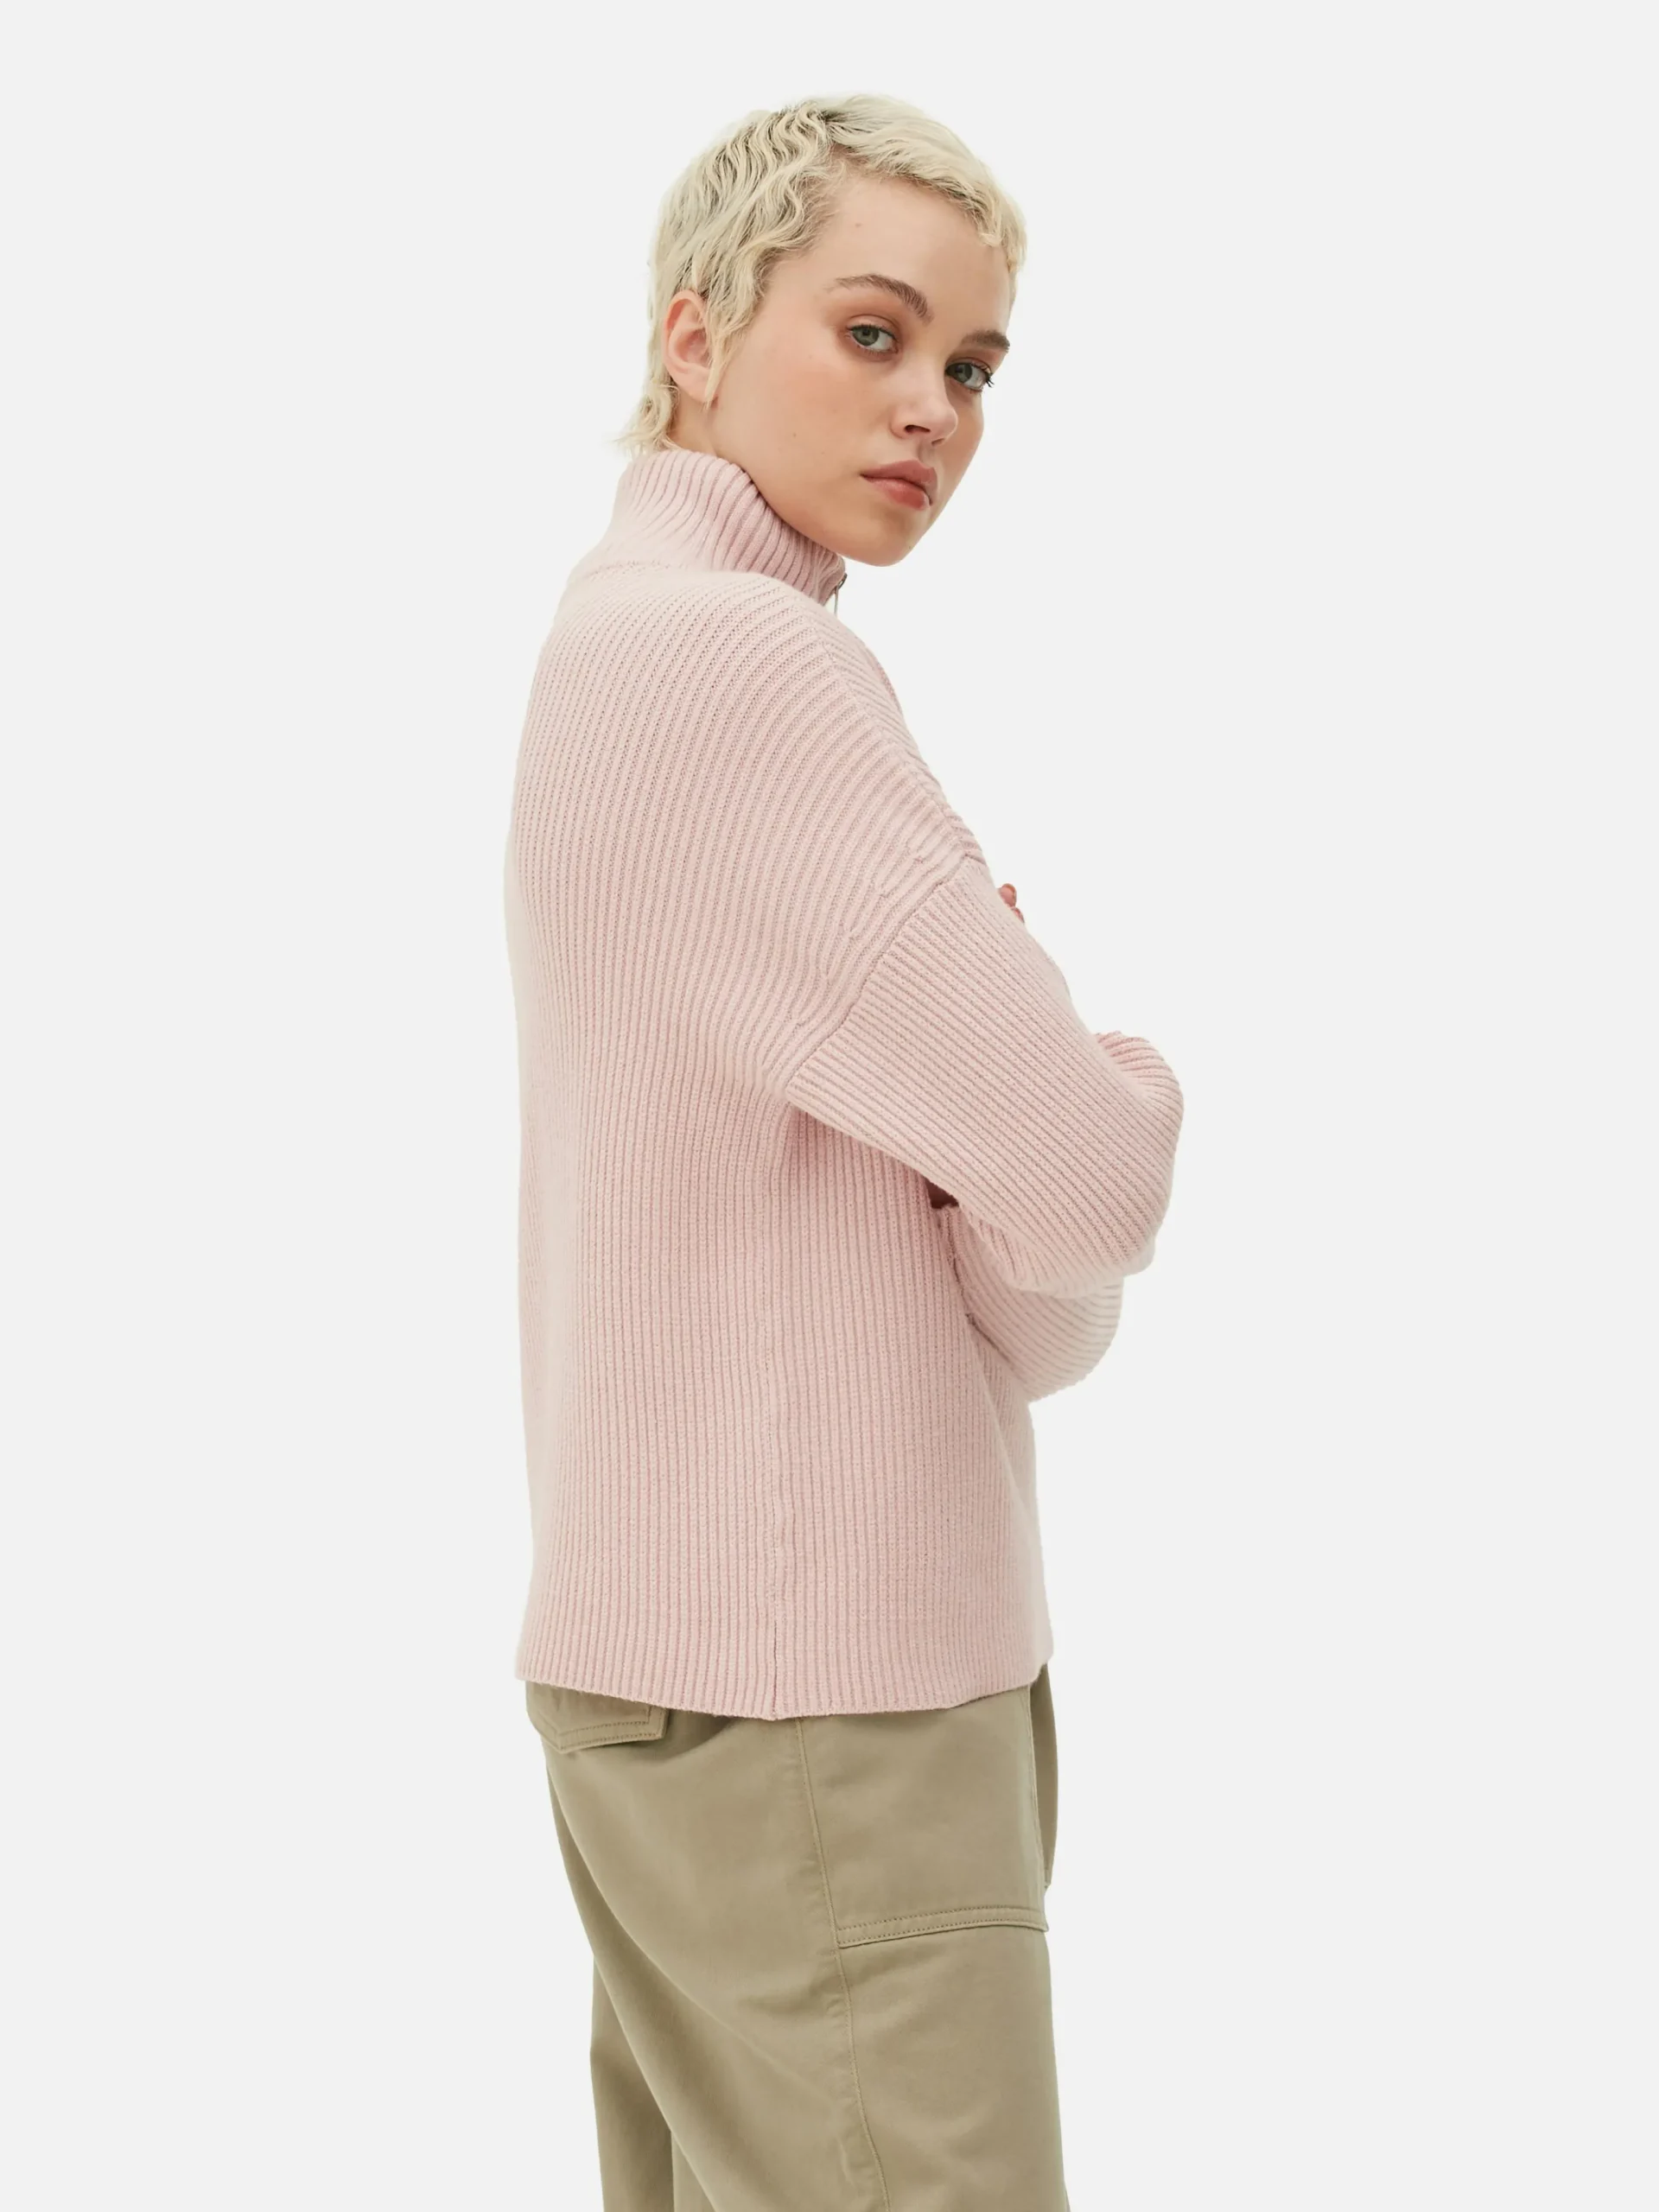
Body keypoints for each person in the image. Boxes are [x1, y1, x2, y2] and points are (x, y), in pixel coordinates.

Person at [504, 91, 1185, 2211]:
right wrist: (1094, 1051)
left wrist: (999, 1146)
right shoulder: (747, 671)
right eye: (874, 333)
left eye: (972, 366)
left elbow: (1030, 1261)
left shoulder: (613, 639)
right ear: (695, 331)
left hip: (686, 1689)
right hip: (832, 1708)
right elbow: (1090, 1187)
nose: (933, 411)